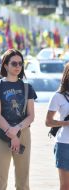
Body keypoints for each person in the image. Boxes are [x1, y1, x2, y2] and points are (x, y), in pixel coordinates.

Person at [0, 49, 37, 190]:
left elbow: (31, 115)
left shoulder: (27, 87)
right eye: (14, 63)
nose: (18, 66)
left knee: (23, 180)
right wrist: (11, 132)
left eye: (20, 63)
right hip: (3, 133)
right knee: (0, 179)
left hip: (24, 133)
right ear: (5, 65)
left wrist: (17, 130)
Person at [46, 62, 69, 190]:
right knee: (65, 186)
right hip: (64, 144)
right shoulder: (58, 96)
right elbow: (48, 121)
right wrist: (66, 123)